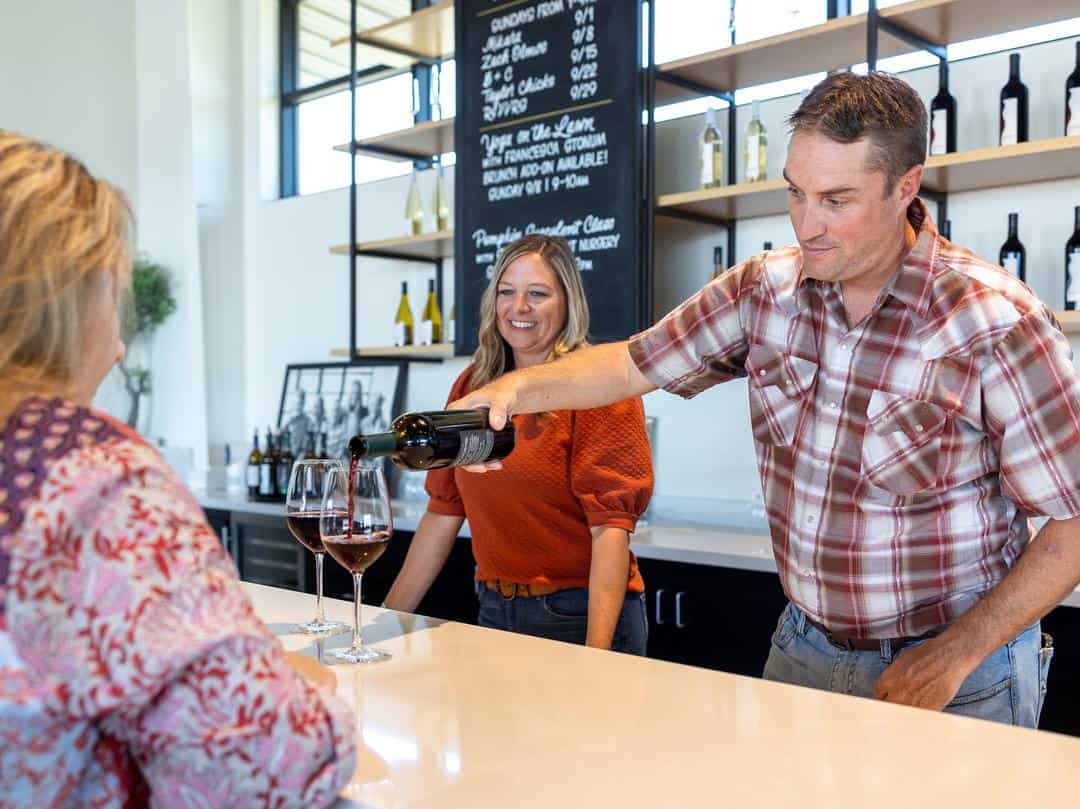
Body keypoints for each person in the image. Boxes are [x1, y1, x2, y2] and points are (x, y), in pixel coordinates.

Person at [453, 72, 1080, 727]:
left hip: (957, 674)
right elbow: (631, 364)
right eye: (796, 193)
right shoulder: (763, 291)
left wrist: (958, 651)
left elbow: (1073, 524)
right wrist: (509, 388)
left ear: (905, 187)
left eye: (836, 200)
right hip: (802, 652)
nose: (808, 225)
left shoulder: (995, 320)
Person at [0, 130, 356, 805]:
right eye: (115, 292)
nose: (119, 341)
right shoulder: (89, 476)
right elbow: (264, 758)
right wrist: (313, 696)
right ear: (70, 298)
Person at [383, 234, 654, 654]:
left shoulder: (597, 389)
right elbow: (443, 510)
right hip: (493, 608)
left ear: (568, 303)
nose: (519, 307)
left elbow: (610, 532)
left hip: (579, 613)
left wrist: (596, 657)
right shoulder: (474, 386)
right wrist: (386, 623)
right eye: (506, 292)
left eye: (538, 294)